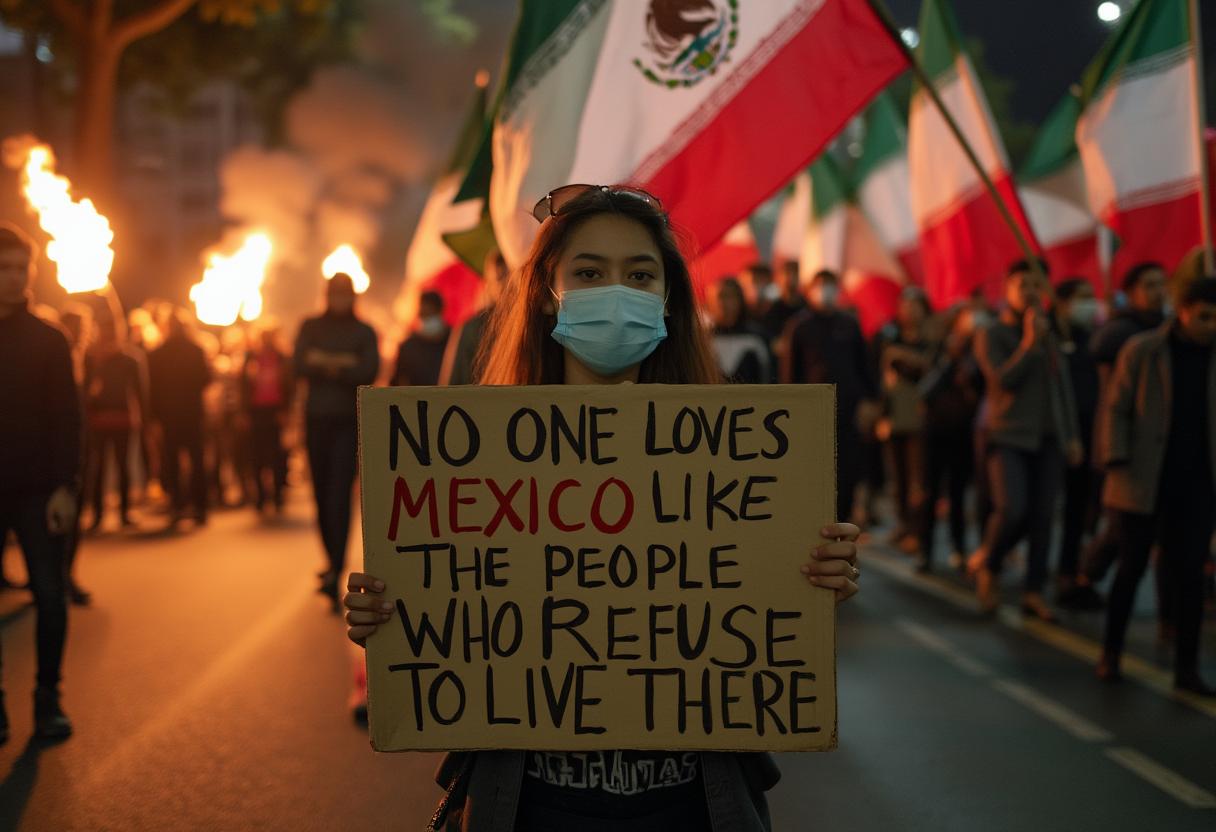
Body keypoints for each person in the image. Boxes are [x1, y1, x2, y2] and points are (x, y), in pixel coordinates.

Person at [341, 185, 861, 831]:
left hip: (692, 806)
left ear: (668, 297)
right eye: (588, 273)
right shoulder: (474, 460)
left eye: (640, 274)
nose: (616, 291)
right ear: (546, 292)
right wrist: (393, 616)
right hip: (533, 806)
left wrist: (809, 580)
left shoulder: (739, 453)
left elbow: (757, 610)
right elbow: (453, 606)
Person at [1095, 276, 1216, 695]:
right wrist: (1117, 459)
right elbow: (1117, 409)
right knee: (1130, 568)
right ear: (1183, 311)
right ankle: (1110, 653)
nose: (1211, 325)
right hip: (1141, 479)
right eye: (1204, 316)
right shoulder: (1144, 350)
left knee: (1189, 576)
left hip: (1198, 485)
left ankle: (1187, 668)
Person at [0, 222, 79, 742]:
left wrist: (65, 487)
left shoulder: (50, 339)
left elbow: (68, 419)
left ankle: (47, 697)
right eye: (3, 268)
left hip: (37, 489)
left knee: (50, 596)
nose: (12, 278)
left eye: (19, 269)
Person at [971, 261, 1081, 620]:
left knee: (1043, 517)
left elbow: (1061, 386)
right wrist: (1030, 344)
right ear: (1007, 290)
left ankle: (1034, 590)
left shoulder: (1052, 332)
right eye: (1023, 285)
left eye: (1038, 284)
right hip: (1008, 435)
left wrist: (1071, 435)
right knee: (1012, 508)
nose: (1031, 292)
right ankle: (990, 563)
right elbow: (1002, 381)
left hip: (1048, 437)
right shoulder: (992, 334)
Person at [294, 273, 379, 606]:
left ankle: (336, 567)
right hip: (316, 422)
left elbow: (367, 370)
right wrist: (345, 363)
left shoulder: (364, 331)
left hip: (347, 424)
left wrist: (324, 362)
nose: (339, 300)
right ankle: (331, 561)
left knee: (339, 496)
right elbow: (299, 364)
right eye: (335, 294)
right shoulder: (310, 326)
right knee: (319, 494)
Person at [780, 269, 877, 525]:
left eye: (831, 285)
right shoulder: (799, 326)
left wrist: (870, 400)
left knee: (847, 477)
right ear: (810, 290)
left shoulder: (849, 324)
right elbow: (789, 375)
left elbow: (865, 367)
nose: (826, 291)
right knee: (815, 476)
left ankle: (842, 524)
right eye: (821, 285)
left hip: (849, 414)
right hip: (812, 416)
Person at [916, 305, 984, 572]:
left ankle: (958, 548)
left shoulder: (979, 352)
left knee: (958, 493)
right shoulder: (938, 352)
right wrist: (949, 360)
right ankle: (926, 550)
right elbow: (925, 389)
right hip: (935, 431)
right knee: (930, 492)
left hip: (963, 432)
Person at [1050, 279, 1103, 608]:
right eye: (1083, 298)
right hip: (1059, 435)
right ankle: (1060, 572)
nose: (1090, 304)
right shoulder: (1053, 337)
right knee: (1053, 508)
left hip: (1092, 432)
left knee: (1084, 507)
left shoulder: (1094, 337)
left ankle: (1074, 572)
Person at [874, 287, 933, 551]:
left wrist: (905, 357)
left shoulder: (932, 340)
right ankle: (903, 525)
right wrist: (882, 416)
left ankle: (918, 532)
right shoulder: (890, 337)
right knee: (898, 479)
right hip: (895, 419)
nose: (909, 310)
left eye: (915, 304)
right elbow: (883, 383)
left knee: (918, 480)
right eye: (904, 305)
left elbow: (930, 369)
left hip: (922, 419)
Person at [83, 315, 148, 531]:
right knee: (98, 466)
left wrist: (144, 418)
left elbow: (140, 391)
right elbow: (85, 389)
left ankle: (125, 511)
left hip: (122, 418)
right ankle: (97, 513)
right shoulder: (91, 358)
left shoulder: (129, 359)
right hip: (98, 419)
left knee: (123, 465)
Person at [147, 310, 212, 528]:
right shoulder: (195, 350)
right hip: (191, 412)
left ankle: (178, 506)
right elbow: (206, 378)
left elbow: (152, 389)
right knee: (196, 460)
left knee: (173, 461)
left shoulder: (157, 353)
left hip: (170, 414)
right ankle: (199, 507)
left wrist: (155, 416)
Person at [242, 324, 294, 514]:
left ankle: (278, 493)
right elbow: (243, 386)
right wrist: (245, 412)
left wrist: (285, 410)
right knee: (256, 454)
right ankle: (261, 496)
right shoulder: (251, 357)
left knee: (277, 453)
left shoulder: (282, 358)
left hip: (275, 410)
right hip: (256, 410)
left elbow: (289, 385)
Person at [440, 248, 508, 386]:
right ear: (489, 283)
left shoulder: (535, 324)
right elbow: (453, 385)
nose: (505, 285)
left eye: (510, 276)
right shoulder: (473, 327)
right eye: (499, 278)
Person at [709, 276, 772, 383]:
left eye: (730, 296)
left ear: (740, 300)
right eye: (720, 296)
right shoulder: (703, 340)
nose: (724, 303)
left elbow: (767, 379)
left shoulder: (756, 338)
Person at [393, 290, 450, 387]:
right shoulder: (408, 346)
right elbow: (397, 381)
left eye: (431, 313)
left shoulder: (453, 342)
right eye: (424, 313)